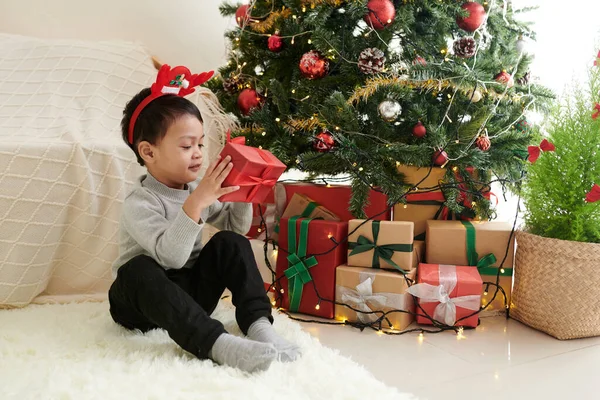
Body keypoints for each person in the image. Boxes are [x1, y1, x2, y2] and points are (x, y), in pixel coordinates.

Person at [108, 65, 299, 373]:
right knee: (136, 269)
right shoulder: (140, 202)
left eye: (199, 143)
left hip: (191, 296)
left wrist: (241, 192)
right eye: (186, 146)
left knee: (230, 243)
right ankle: (216, 344)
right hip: (141, 304)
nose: (198, 153)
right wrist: (196, 203)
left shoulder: (198, 189)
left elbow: (237, 231)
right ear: (148, 152)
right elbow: (170, 256)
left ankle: (259, 326)